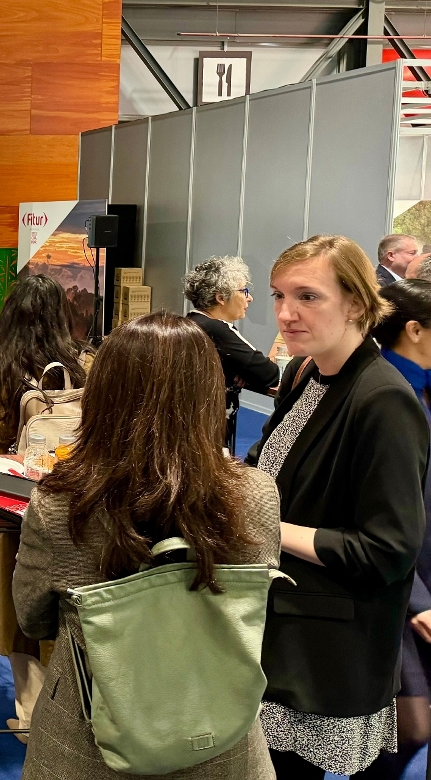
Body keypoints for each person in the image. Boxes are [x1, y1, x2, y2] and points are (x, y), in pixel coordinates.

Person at [14, 311, 281, 779]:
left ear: (102, 395)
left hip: (88, 740)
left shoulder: (61, 504)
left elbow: (33, 619)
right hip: (221, 739)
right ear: (209, 395)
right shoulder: (255, 495)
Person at [247, 235, 428, 778]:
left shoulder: (383, 399)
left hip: (322, 648)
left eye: (308, 296)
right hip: (277, 628)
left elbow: (387, 550)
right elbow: (265, 464)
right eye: (279, 296)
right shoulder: (306, 373)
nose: (286, 313)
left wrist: (264, 526)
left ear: (355, 303)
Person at [0, 273, 88, 740]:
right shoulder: (84, 364)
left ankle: (31, 713)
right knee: (66, 603)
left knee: (19, 608)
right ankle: (70, 712)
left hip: (7, 502)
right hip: (72, 502)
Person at [353, 278, 431, 780]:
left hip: (417, 579)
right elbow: (379, 512)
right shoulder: (387, 394)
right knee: (408, 727)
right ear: (415, 330)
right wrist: (419, 601)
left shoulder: (419, 387)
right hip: (396, 584)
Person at [183, 256, 281, 452]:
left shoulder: (192, 321)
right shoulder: (217, 329)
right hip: (209, 431)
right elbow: (268, 373)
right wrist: (245, 371)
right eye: (244, 291)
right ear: (221, 298)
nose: (249, 298)